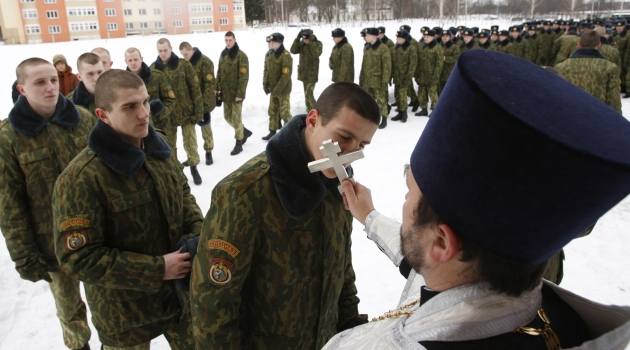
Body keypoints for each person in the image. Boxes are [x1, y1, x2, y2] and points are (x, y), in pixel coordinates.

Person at [323, 49, 630, 350]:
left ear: (442, 243)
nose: (404, 205)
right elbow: (418, 258)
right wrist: (370, 216)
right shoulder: (552, 314)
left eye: (409, 193)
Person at [190, 82, 379, 349]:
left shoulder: (338, 183)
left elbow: (341, 268)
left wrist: (348, 325)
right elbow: (212, 304)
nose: (350, 153)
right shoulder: (245, 194)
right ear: (313, 119)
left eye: (362, 144)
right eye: (344, 137)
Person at [52, 69, 203, 350]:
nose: (144, 113)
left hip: (180, 299)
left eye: (145, 101)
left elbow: (184, 196)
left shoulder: (159, 147)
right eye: (130, 107)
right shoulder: (82, 178)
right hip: (124, 315)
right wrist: (157, 269)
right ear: (102, 115)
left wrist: (196, 236)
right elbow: (78, 258)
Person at [0, 58, 94, 350]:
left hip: (96, 235)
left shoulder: (82, 120)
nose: (51, 87)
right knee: (69, 308)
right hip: (52, 244)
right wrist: (24, 255)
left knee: (107, 299)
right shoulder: (8, 137)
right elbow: (9, 204)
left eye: (53, 80)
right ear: (22, 89)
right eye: (39, 82)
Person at [150, 38, 204, 184]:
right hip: (167, 116)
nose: (163, 53)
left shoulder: (184, 65)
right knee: (169, 146)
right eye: (160, 51)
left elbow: (195, 88)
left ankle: (194, 168)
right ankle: (175, 171)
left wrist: (198, 111)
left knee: (190, 143)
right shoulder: (154, 69)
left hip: (187, 112)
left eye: (165, 50)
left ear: (171, 48)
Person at [124, 47, 178, 151]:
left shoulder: (157, 77)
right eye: (130, 60)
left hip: (162, 127)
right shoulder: (123, 82)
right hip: (136, 130)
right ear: (125, 61)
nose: (133, 63)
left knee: (168, 157)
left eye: (135, 59)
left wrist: (155, 115)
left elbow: (170, 100)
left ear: (141, 59)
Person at [555, 30, 621, 114]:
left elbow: (557, 97)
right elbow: (614, 101)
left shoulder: (561, 67)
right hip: (598, 117)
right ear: (599, 45)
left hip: (570, 116)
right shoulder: (610, 68)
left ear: (578, 45)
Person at [179, 41, 217, 165]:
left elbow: (209, 85)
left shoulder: (205, 62)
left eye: (186, 54)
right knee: (190, 132)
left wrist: (204, 105)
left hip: (203, 101)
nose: (184, 57)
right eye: (182, 55)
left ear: (191, 49)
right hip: (189, 102)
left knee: (205, 127)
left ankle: (209, 151)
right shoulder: (184, 63)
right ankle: (192, 156)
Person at [216, 31, 252, 155]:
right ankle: (244, 132)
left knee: (236, 119)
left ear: (235, 40)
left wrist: (240, 93)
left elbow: (244, 77)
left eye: (230, 40)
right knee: (227, 117)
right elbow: (219, 72)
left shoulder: (241, 56)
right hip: (226, 93)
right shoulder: (223, 54)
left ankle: (239, 143)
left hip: (237, 94)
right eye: (226, 40)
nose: (228, 42)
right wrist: (217, 87)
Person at [262, 33, 292, 141]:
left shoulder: (285, 55)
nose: (270, 44)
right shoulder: (269, 54)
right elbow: (266, 71)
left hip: (283, 89)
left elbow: (286, 75)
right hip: (273, 89)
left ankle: (289, 133)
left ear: (279, 43)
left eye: (272, 42)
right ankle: (272, 131)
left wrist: (277, 89)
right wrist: (265, 84)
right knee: (272, 111)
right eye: (269, 42)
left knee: (285, 112)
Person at [359, 27, 391, 129]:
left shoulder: (383, 48)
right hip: (367, 80)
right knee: (368, 100)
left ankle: (384, 118)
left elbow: (387, 67)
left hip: (378, 80)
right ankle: (370, 118)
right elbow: (364, 64)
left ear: (373, 36)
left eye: (367, 35)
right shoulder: (366, 47)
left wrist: (385, 81)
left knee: (381, 100)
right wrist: (362, 78)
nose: (365, 37)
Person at [290, 28, 323, 112]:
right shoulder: (302, 44)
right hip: (304, 74)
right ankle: (310, 112)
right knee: (306, 96)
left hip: (312, 75)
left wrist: (311, 42)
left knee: (309, 94)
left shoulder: (317, 44)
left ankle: (319, 111)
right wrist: (297, 38)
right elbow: (293, 50)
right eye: (303, 39)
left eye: (307, 39)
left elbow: (316, 53)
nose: (305, 41)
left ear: (311, 38)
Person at [415, 28, 443, 117]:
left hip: (432, 75)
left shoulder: (437, 48)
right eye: (425, 36)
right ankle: (423, 109)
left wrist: (435, 76)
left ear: (433, 37)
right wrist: (417, 74)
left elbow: (439, 64)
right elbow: (419, 61)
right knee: (422, 93)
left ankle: (436, 110)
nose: (425, 38)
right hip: (423, 75)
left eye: (428, 36)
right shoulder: (423, 47)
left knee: (433, 94)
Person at [390, 29, 416, 123]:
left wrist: (408, 77)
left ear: (404, 38)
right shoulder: (396, 48)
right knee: (397, 94)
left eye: (399, 37)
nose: (397, 39)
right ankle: (400, 112)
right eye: (397, 37)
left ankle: (404, 113)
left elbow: (412, 65)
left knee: (402, 95)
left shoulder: (411, 48)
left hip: (405, 77)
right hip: (397, 76)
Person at [68, 52, 104, 117]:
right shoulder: (69, 104)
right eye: (90, 74)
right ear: (79, 77)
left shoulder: (118, 95)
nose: (96, 78)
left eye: (99, 72)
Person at [399, 25, 420, 112]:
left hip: (411, 67)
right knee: (408, 86)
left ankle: (415, 100)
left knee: (408, 86)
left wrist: (415, 70)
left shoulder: (413, 42)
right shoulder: (400, 42)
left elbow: (417, 55)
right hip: (403, 68)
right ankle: (413, 100)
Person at [439, 29, 459, 97]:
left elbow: (456, 58)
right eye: (443, 36)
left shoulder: (454, 47)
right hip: (439, 72)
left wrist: (446, 58)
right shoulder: (438, 47)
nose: (444, 37)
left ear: (450, 37)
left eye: (447, 36)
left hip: (449, 72)